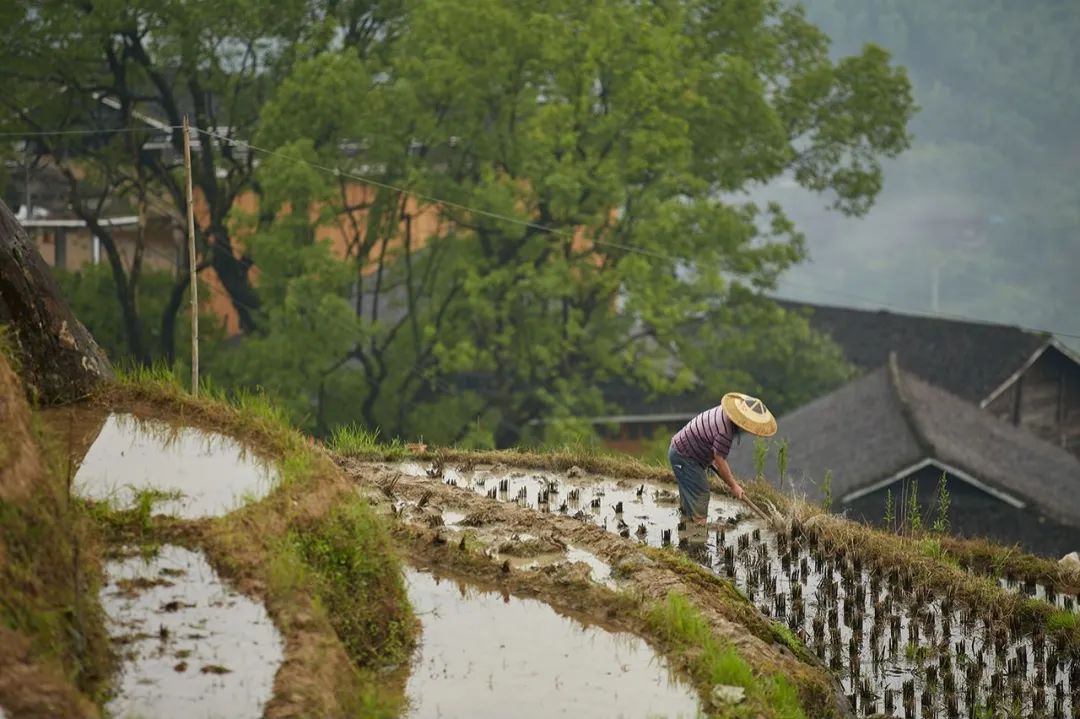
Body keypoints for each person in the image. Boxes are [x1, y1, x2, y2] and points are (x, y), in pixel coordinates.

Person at [668, 392, 777, 525]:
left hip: (682, 451)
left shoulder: (723, 412)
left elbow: (710, 442)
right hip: (685, 457)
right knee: (701, 494)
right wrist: (733, 485)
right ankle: (697, 537)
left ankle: (686, 529)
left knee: (690, 500)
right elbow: (720, 460)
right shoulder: (725, 431)